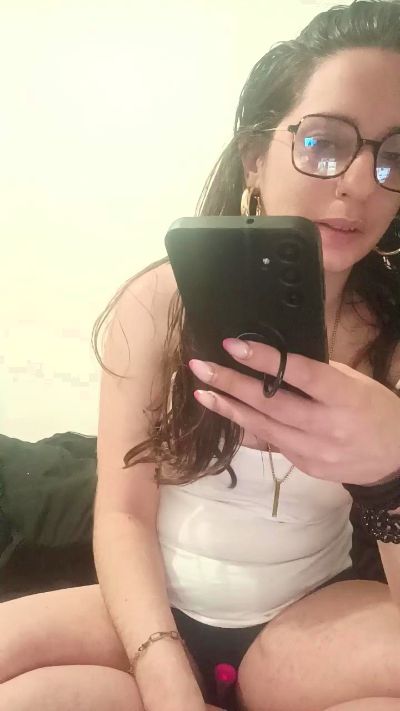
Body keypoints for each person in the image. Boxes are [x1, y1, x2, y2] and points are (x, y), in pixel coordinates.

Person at [2, 1, 400, 710]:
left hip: (308, 626)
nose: (361, 182)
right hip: (153, 609)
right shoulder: (157, 303)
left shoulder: (393, 338)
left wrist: (391, 469)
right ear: (255, 157)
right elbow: (122, 512)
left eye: (394, 155)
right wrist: (163, 677)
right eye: (323, 142)